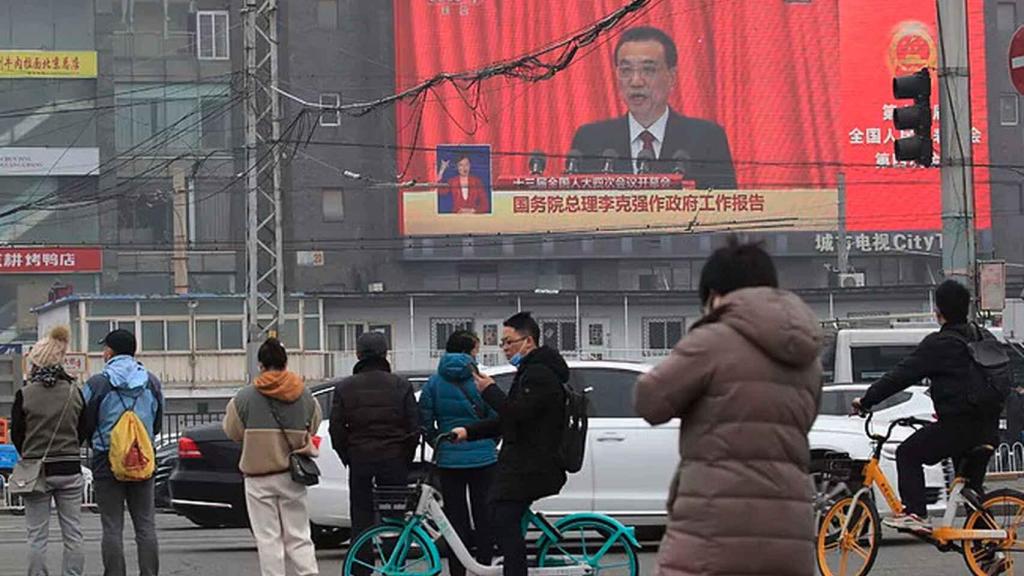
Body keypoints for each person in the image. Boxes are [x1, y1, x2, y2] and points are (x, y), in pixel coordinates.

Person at [634, 239, 822, 576]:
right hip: (790, 533)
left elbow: (650, 401)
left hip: (713, 528)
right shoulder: (808, 356)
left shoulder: (713, 340)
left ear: (715, 294)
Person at [852, 279, 1002, 532]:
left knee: (908, 453)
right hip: (988, 427)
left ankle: (916, 513)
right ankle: (989, 552)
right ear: (966, 308)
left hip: (957, 427)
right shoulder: (982, 335)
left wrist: (867, 400)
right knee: (969, 492)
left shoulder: (939, 343)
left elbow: (900, 376)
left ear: (938, 311)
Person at [452, 312, 568, 576]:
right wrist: (467, 432)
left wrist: (490, 391)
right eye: (502, 343)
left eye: (508, 341)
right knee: (501, 514)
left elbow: (516, 414)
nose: (504, 348)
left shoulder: (539, 374)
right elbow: (511, 418)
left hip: (534, 464)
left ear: (528, 342)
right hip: (526, 461)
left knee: (502, 516)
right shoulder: (530, 371)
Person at [569, 26, 737, 189]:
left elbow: (726, 209)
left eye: (648, 70)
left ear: (671, 77)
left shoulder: (706, 139)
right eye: (626, 70)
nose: (636, 82)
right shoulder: (590, 140)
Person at [223, 338, 321, 576]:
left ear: (260, 365)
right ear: (286, 363)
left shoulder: (244, 397)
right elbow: (314, 425)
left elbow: (232, 431)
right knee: (299, 536)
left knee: (268, 539)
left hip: (258, 478)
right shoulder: (304, 394)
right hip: (292, 475)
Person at [329, 332, 418, 576]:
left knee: (361, 517)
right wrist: (404, 457)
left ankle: (361, 568)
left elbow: (336, 428)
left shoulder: (345, 387)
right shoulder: (401, 385)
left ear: (358, 355)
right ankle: (395, 567)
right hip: (393, 459)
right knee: (393, 517)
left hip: (360, 460)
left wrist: (348, 456)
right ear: (385, 354)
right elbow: (414, 426)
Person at [83, 329, 164, 576]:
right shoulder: (151, 381)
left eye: (104, 348)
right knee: (146, 525)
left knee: (111, 526)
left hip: (106, 459)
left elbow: (85, 420)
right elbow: (158, 422)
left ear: (110, 351)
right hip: (142, 458)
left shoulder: (98, 383)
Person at [11, 325, 88, 576]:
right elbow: (85, 428)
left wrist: (31, 452)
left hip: (36, 471)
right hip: (68, 468)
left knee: (36, 536)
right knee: (73, 533)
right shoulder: (73, 392)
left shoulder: (25, 394)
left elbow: (17, 434)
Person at [418, 330, 497, 576]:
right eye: (476, 349)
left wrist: (440, 443)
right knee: (484, 516)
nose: (477, 354)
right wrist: (489, 442)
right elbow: (497, 417)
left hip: (449, 461)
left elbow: (425, 421)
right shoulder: (481, 380)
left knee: (455, 520)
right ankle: (484, 567)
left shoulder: (433, 383)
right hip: (484, 459)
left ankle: (457, 571)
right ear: (468, 352)